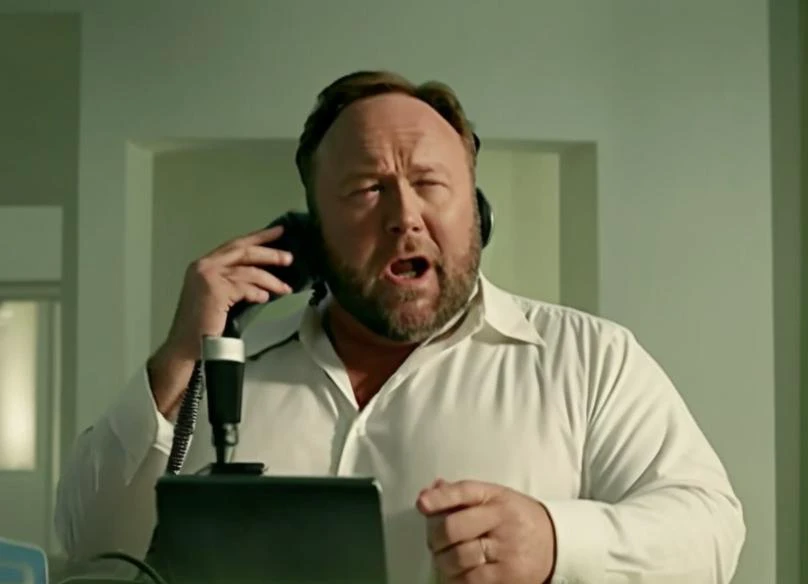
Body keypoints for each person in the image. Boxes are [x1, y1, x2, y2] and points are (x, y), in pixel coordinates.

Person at [55, 70, 746, 584]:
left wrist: (557, 540)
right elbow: (89, 543)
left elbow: (714, 534)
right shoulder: (221, 371)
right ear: (312, 236)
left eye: (431, 183)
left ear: (476, 211)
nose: (405, 216)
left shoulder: (589, 359)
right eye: (367, 189)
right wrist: (181, 355)